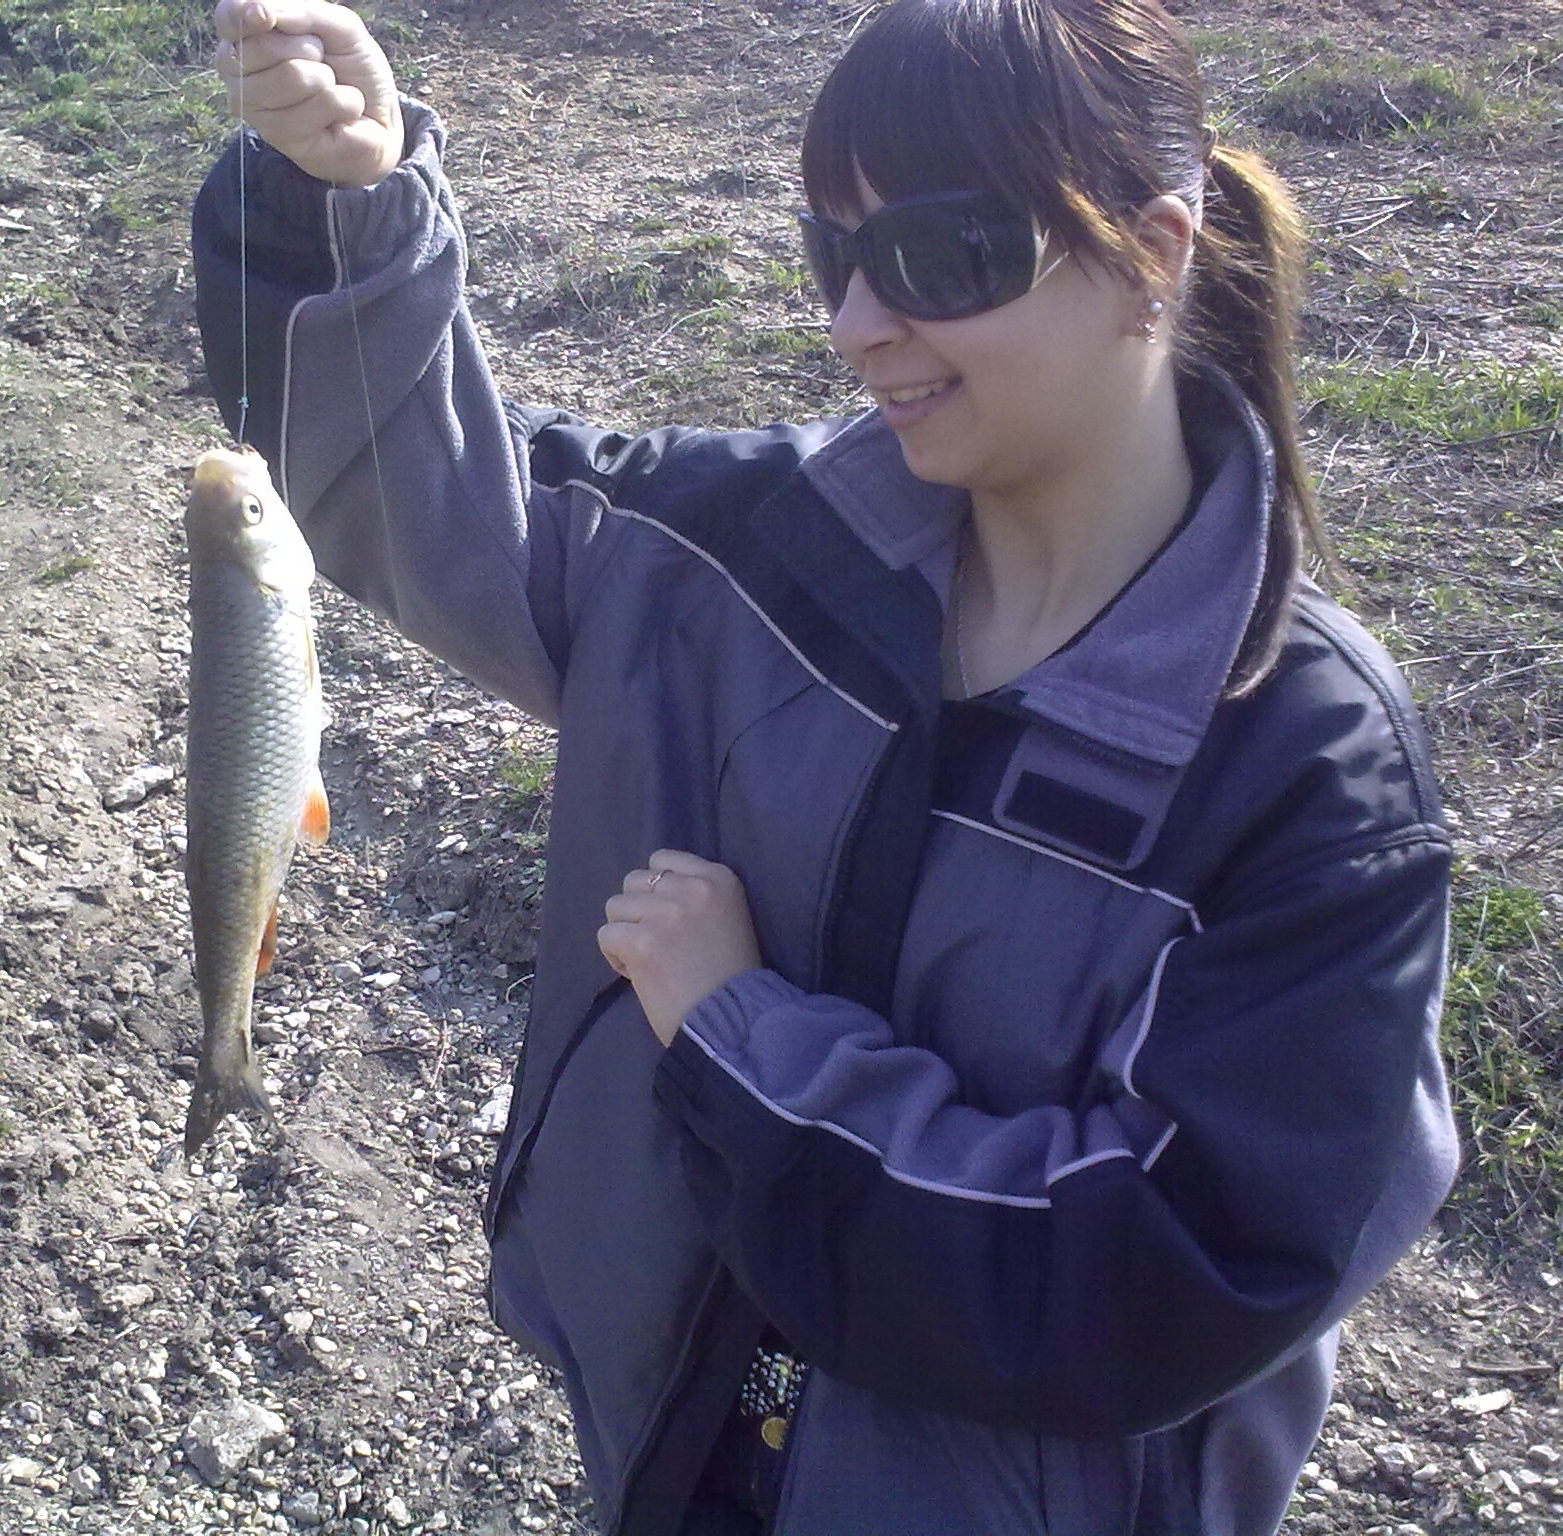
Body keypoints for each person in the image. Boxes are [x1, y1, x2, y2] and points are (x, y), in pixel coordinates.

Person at [192, 0, 1460, 1531]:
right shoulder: (754, 552)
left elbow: (1178, 1272)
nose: (859, 322)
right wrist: (349, 202)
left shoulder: (1308, 771)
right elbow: (425, 502)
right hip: (690, 1446)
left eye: (940, 255)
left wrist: (743, 1036)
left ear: (1154, 254)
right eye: (835, 251)